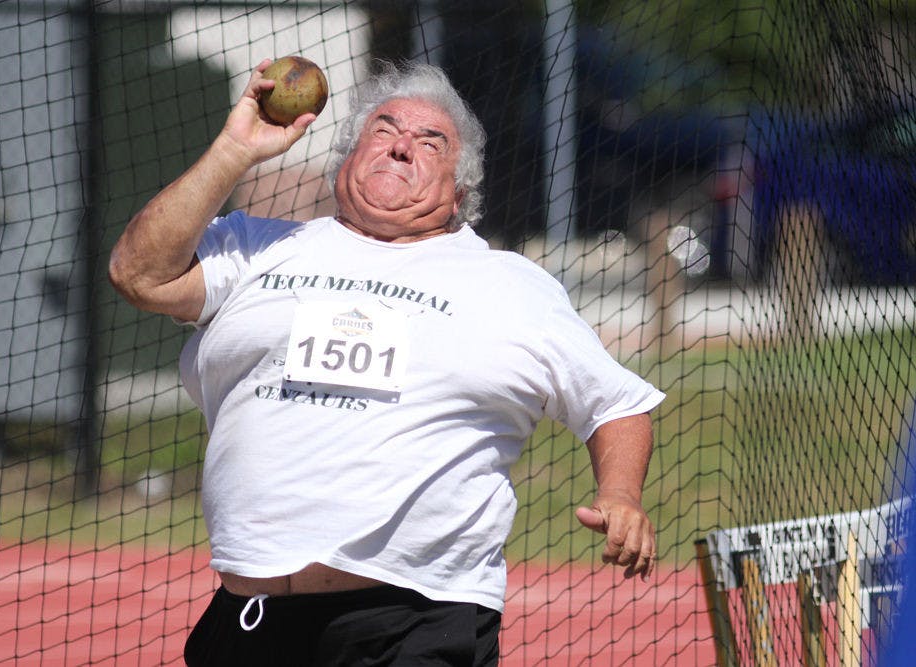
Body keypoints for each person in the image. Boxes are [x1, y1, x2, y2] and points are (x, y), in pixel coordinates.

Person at [109, 58, 666, 667]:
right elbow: (138, 275)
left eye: (430, 142)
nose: (402, 147)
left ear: (460, 190)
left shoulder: (507, 286)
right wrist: (233, 150)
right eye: (384, 129)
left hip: (413, 621)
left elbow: (618, 403)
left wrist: (621, 494)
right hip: (253, 615)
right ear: (346, 157)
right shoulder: (259, 246)